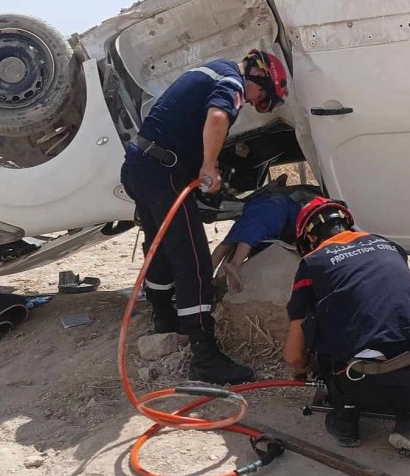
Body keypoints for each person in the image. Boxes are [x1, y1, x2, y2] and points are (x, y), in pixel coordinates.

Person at [121, 49, 288, 385]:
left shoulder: (212, 70)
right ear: (258, 77)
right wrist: (209, 165)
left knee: (161, 247)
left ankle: (165, 321)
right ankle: (205, 356)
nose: (256, 105)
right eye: (263, 98)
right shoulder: (231, 80)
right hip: (162, 173)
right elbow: (216, 117)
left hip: (140, 165)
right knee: (194, 261)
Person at [284, 197, 410, 460]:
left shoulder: (312, 263)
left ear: (309, 239)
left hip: (358, 381)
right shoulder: (390, 246)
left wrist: (308, 366)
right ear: (347, 223)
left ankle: (345, 420)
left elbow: (293, 356)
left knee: (323, 327)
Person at [210, 184, 301, 293]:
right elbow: (298, 226)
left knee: (229, 241)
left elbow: (247, 206)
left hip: (252, 209)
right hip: (272, 213)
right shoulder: (292, 204)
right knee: (250, 238)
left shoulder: (265, 196)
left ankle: (207, 271)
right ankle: (235, 264)